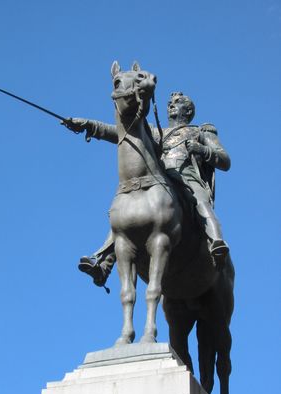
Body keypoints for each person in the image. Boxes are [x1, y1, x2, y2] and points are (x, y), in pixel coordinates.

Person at [63, 92, 231, 288]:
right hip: (159, 177)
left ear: (189, 110)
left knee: (201, 201)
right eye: (169, 103)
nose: (171, 105)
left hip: (187, 176)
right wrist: (87, 125)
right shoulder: (155, 132)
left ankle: (216, 244)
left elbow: (225, 160)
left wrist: (202, 150)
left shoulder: (200, 131)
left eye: (177, 103)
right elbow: (121, 132)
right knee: (125, 210)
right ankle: (104, 264)